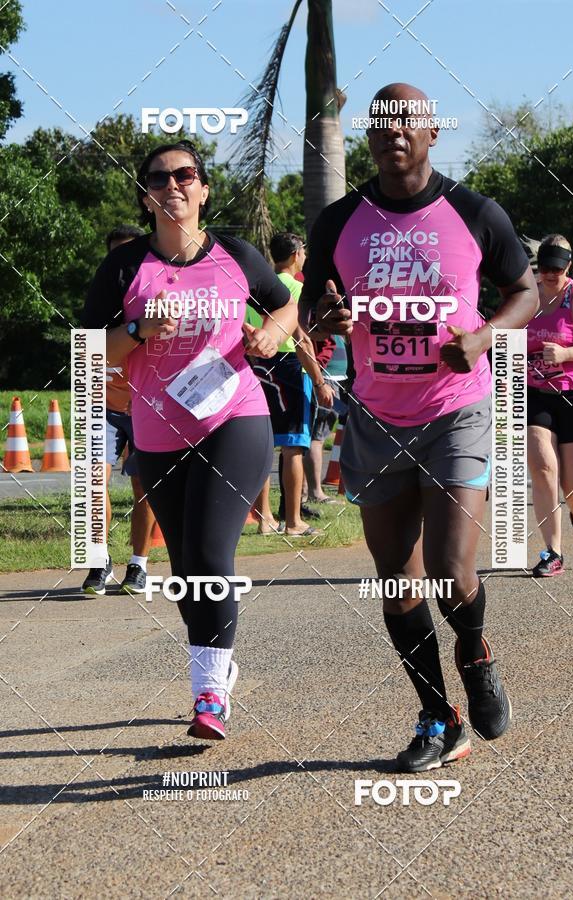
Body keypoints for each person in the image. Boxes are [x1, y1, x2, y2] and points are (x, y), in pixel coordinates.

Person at [300, 83, 539, 773]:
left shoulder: (473, 212)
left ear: (433, 133)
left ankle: (475, 651)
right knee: (397, 582)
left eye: (408, 120)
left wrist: (487, 335)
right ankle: (439, 717)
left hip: (455, 410)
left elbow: (522, 291)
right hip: (375, 418)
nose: (392, 130)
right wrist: (327, 322)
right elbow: (316, 306)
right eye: (380, 121)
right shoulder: (340, 220)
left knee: (447, 568)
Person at [82, 140, 297, 739]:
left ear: (203, 189)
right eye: (159, 178)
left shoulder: (236, 255)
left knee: (208, 554)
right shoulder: (125, 269)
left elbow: (284, 310)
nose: (173, 184)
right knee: (184, 565)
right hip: (157, 431)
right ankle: (217, 665)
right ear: (147, 196)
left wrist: (268, 337)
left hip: (236, 417)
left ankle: (208, 693)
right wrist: (136, 328)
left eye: (185, 175)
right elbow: (87, 352)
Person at [82, 224, 157, 596]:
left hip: (146, 406)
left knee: (144, 485)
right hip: (103, 405)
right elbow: (85, 351)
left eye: (129, 255)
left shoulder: (157, 300)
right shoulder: (98, 300)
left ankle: (138, 565)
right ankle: (98, 561)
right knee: (93, 483)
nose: (122, 265)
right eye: (115, 256)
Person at [248, 232, 334, 536]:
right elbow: (302, 339)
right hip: (290, 369)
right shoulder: (297, 289)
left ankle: (265, 518)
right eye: (304, 252)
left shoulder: (256, 288)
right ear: (297, 254)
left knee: (263, 447)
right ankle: (294, 521)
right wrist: (320, 380)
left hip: (256, 368)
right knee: (293, 446)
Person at [526, 234, 573, 576]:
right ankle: (552, 553)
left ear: (569, 266)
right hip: (535, 393)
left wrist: (568, 353)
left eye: (558, 268)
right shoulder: (526, 296)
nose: (551, 274)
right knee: (542, 469)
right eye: (545, 268)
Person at [303, 334, 348, 504]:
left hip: (333, 378)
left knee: (318, 433)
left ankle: (307, 490)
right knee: (317, 436)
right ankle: (315, 492)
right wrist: (320, 378)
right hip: (325, 379)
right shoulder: (314, 312)